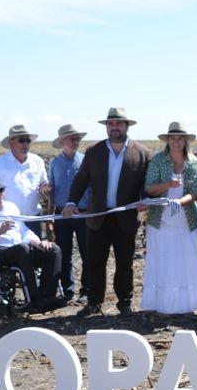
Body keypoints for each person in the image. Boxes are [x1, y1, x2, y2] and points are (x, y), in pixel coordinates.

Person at [63, 107, 151, 317]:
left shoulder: (142, 153)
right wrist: (71, 202)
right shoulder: (94, 151)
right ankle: (94, 303)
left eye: (118, 124)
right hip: (98, 217)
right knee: (95, 262)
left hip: (126, 218)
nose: (114, 127)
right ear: (107, 127)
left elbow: (145, 185)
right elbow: (81, 180)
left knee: (125, 263)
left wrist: (145, 200)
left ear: (126, 126)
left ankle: (125, 303)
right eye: (111, 124)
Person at [0, 176, 63, 312]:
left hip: (19, 247)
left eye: (1, 191)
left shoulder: (11, 207)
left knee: (53, 249)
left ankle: (47, 296)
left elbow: (23, 230)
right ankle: (34, 300)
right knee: (23, 249)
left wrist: (38, 242)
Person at [141, 122, 197, 314]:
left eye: (180, 138)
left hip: (186, 219)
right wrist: (168, 185)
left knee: (185, 262)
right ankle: (164, 304)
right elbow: (149, 188)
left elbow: (195, 193)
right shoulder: (158, 160)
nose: (176, 141)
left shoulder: (194, 162)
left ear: (186, 141)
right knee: (165, 261)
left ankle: (186, 305)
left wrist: (179, 202)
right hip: (161, 220)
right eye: (173, 138)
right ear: (168, 140)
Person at [49, 124, 91, 303]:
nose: (75, 141)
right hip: (61, 215)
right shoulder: (55, 163)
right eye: (72, 138)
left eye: (77, 138)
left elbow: (92, 187)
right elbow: (52, 190)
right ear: (62, 142)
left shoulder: (85, 161)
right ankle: (67, 290)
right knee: (63, 253)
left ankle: (87, 290)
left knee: (86, 252)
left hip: (83, 214)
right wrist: (50, 215)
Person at [0, 124, 51, 238]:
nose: (25, 144)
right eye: (22, 141)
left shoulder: (37, 161)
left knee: (35, 252)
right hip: (9, 220)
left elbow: (43, 183)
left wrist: (45, 189)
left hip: (33, 217)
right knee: (14, 253)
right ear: (11, 142)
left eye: (28, 141)